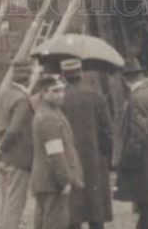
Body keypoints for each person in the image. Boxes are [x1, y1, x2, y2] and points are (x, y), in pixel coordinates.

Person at [61, 58, 113, 229]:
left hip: (70, 160)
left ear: (64, 76)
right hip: (95, 160)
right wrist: (105, 154)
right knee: (95, 210)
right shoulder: (96, 96)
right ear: (81, 73)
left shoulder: (61, 99)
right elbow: (107, 131)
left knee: (73, 211)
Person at [113, 68, 148, 229]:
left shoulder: (137, 98)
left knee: (147, 209)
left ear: (125, 79)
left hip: (142, 164)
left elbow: (138, 134)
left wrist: (128, 162)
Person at [32, 75, 84, 229]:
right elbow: (55, 153)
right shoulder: (49, 118)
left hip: (46, 180)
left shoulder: (50, 112)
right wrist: (65, 180)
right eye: (55, 91)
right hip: (52, 182)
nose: (61, 94)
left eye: (62, 90)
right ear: (44, 92)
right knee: (55, 223)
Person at [0, 61, 35, 229]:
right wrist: (3, 146)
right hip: (17, 158)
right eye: (31, 75)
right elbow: (14, 130)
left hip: (0, 157)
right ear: (27, 78)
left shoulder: (3, 94)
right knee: (15, 206)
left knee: (5, 202)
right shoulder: (23, 100)